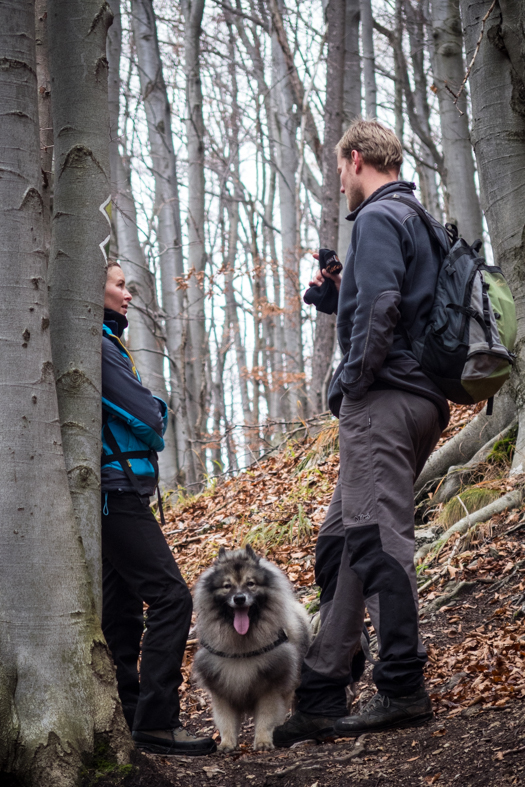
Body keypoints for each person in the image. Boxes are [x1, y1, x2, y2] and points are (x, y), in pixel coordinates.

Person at [273, 119, 450, 747]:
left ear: (354, 161)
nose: (340, 184)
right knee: (342, 543)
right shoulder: (417, 218)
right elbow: (391, 303)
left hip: (383, 401)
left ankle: (402, 685)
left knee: (377, 542)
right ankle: (321, 691)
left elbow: (379, 313)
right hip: (418, 399)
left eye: (339, 171)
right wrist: (337, 293)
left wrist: (352, 382)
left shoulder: (377, 217)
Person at [101, 262, 216, 756]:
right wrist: (157, 407)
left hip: (113, 493)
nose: (128, 294)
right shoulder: (101, 347)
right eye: (120, 285)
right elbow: (150, 417)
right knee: (171, 598)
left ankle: (130, 716)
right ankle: (156, 721)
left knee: (122, 610)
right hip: (116, 495)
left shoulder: (107, 342)